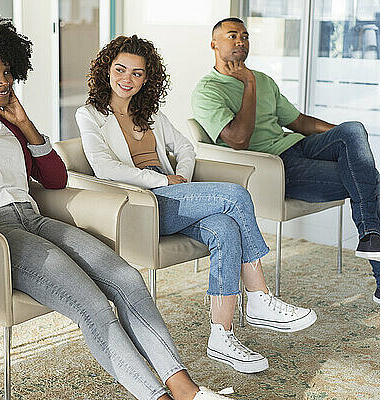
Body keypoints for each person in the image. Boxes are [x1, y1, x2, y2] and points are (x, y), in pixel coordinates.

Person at [0, 15, 233, 400]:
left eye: (8, 72)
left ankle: (186, 389)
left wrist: (27, 124)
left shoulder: (12, 124)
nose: (5, 82)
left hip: (34, 218)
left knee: (126, 278)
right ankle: (156, 396)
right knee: (91, 303)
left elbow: (55, 178)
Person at [76, 34, 317, 374]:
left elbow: (186, 149)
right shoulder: (89, 115)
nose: (127, 79)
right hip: (142, 201)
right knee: (235, 196)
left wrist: (182, 178)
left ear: (147, 78)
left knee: (224, 227)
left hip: (174, 191)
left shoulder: (151, 114)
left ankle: (222, 335)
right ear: (106, 71)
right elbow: (105, 168)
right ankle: (260, 297)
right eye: (120, 69)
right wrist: (162, 181)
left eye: (137, 73)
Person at [192, 17, 380, 305]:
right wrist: (248, 84)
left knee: (353, 129)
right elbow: (239, 139)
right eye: (232, 36)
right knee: (371, 183)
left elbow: (299, 122)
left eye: (245, 35)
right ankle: (375, 256)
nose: (241, 41)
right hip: (273, 168)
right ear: (213, 44)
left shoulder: (265, 80)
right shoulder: (207, 91)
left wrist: (353, 144)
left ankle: (370, 235)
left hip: (298, 147)